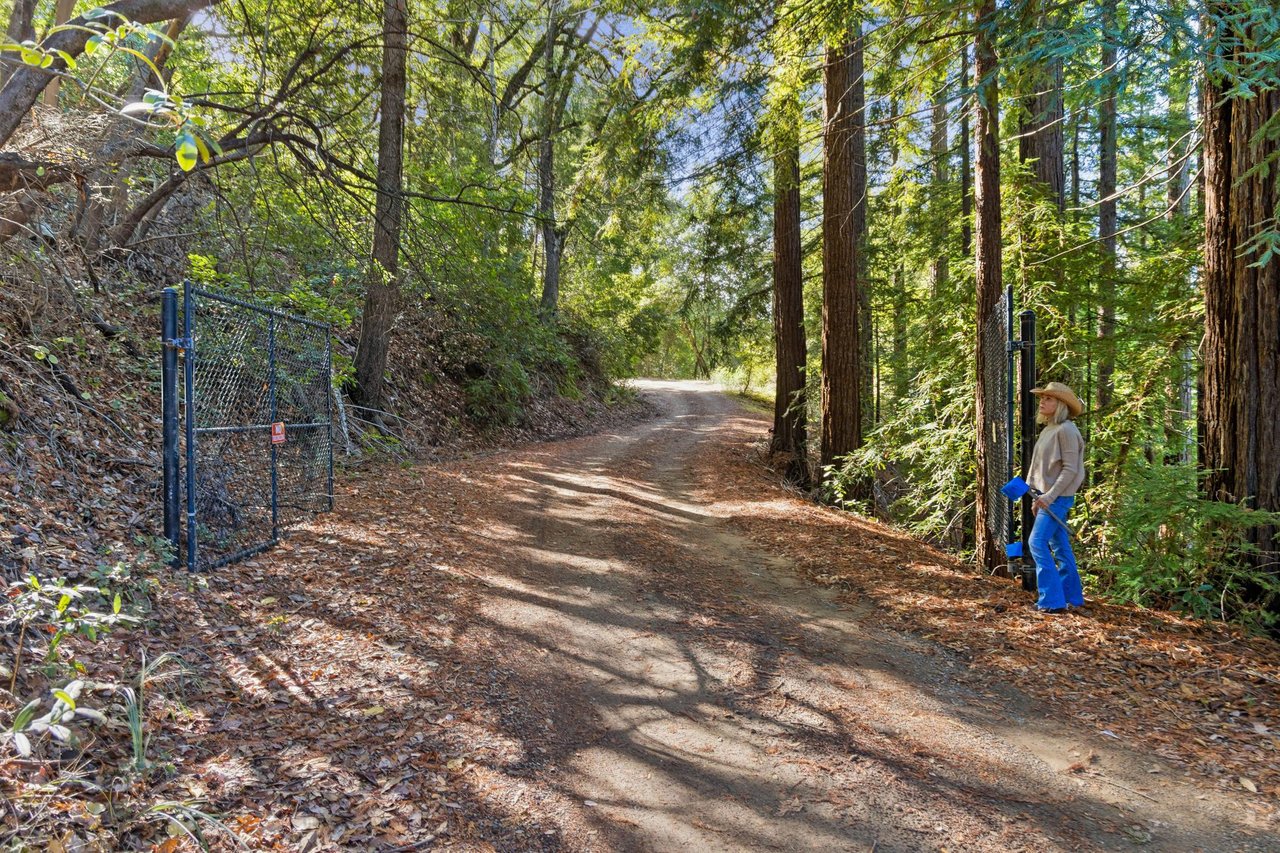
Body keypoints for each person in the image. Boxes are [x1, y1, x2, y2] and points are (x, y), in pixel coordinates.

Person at [1027, 382, 1086, 614]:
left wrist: (1049, 497)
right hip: (1048, 496)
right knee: (1059, 545)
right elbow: (1043, 468)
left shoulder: (1067, 430)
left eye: (1049, 399)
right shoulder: (1049, 428)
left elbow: (1070, 469)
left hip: (1059, 497)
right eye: (1042, 398)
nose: (1042, 402)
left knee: (1037, 542)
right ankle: (1071, 596)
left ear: (1060, 404)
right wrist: (1038, 496)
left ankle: (1051, 600)